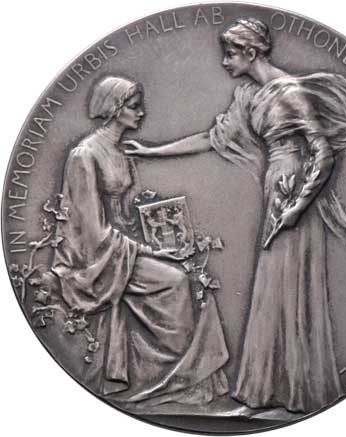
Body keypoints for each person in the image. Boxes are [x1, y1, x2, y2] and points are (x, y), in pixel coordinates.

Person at [125, 18, 346, 413]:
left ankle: (289, 391)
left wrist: (297, 208)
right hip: (276, 188)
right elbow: (211, 138)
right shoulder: (251, 97)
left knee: (286, 284)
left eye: (230, 54)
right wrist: (152, 151)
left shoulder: (289, 93)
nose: (224, 62)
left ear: (251, 52)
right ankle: (268, 390)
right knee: (273, 285)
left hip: (293, 194)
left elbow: (324, 154)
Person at [51, 76, 229, 407]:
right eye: (134, 106)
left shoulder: (123, 152)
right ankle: (174, 381)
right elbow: (88, 230)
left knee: (196, 278)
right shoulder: (84, 155)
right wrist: (150, 250)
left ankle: (185, 376)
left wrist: (168, 232)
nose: (142, 113)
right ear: (114, 108)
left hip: (124, 248)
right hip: (97, 259)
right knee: (177, 281)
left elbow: (129, 215)